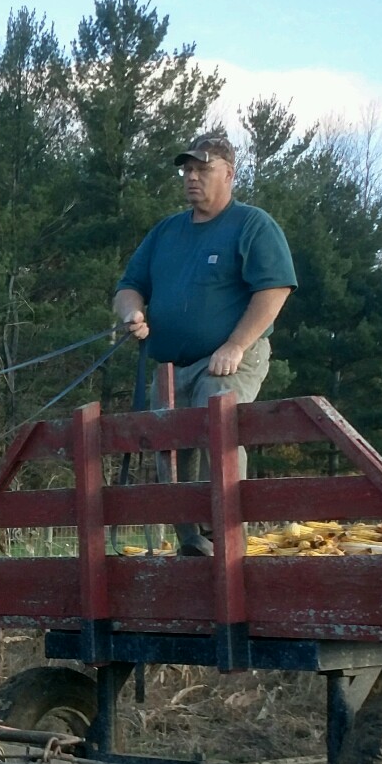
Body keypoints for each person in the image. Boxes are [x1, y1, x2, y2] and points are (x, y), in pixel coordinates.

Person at [113, 130, 297, 554]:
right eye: (188, 169)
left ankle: (227, 539)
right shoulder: (166, 233)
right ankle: (192, 543)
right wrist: (132, 314)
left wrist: (235, 345)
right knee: (167, 447)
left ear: (229, 174)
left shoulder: (251, 224)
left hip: (231, 358)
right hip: (171, 366)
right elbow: (129, 285)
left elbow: (274, 290)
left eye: (203, 168)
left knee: (214, 423)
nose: (192, 177)